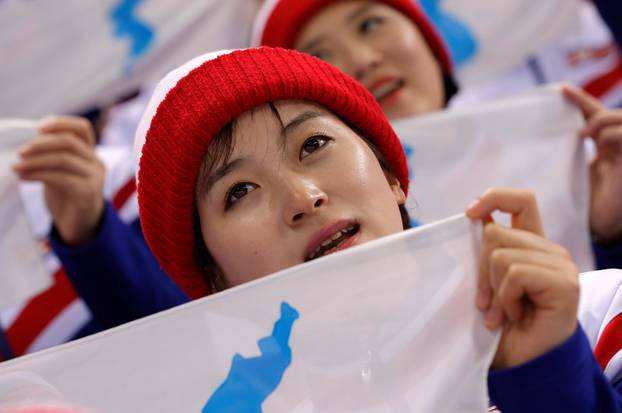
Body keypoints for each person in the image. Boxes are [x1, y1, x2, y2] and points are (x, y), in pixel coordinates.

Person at [134, 46, 622, 411]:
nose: (304, 198)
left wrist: (551, 374)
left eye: (313, 144)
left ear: (391, 177)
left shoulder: (598, 318)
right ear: (216, 279)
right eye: (239, 192)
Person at [252, 0, 622, 269]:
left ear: (430, 44)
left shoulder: (577, 156)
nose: (363, 60)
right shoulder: (317, 233)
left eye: (370, 24)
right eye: (322, 58)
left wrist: (608, 232)